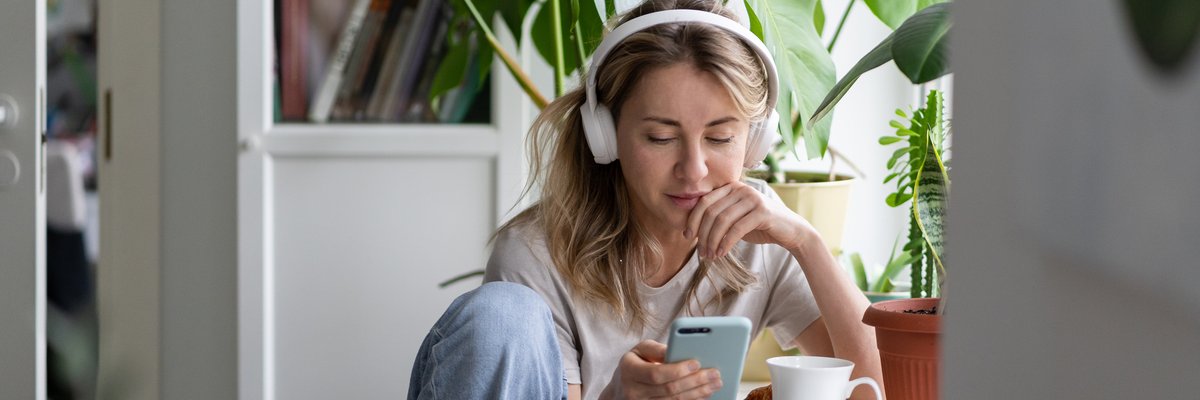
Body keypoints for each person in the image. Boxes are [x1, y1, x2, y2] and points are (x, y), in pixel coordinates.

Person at [408, 0, 882, 399]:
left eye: (720, 139)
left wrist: (806, 241)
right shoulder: (535, 255)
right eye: (659, 137)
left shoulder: (762, 236)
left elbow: (876, 386)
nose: (694, 170)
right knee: (499, 316)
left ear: (755, 142)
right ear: (605, 137)